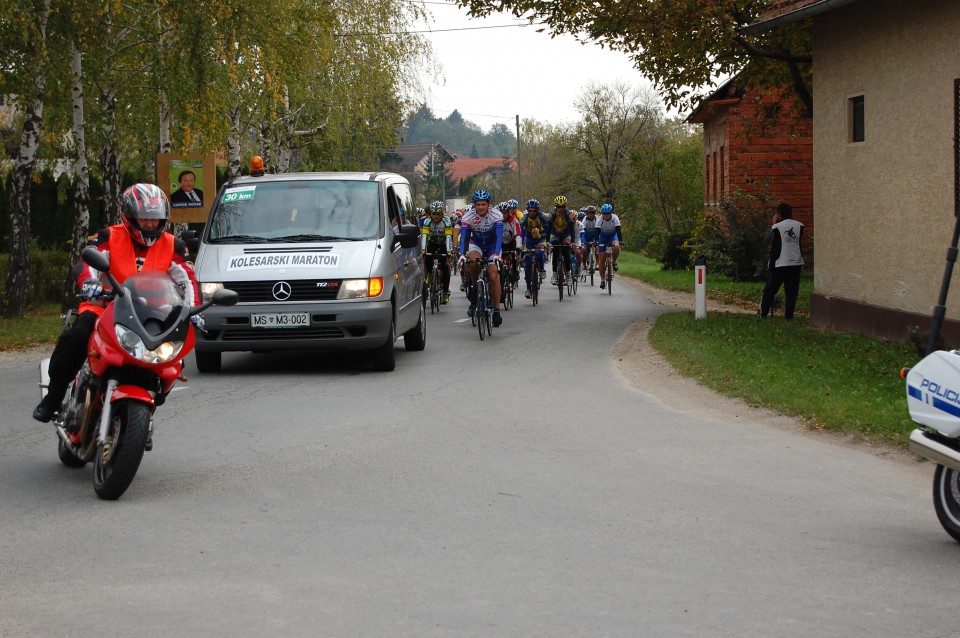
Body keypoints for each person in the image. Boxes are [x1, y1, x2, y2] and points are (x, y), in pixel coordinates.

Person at [33, 183, 200, 423]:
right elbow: (87, 262)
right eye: (145, 219)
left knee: (172, 353)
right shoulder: (108, 236)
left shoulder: (174, 245)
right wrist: (89, 284)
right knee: (79, 334)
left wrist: (191, 309)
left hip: (152, 314)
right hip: (106, 307)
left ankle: (147, 407)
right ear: (129, 216)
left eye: (156, 219)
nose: (151, 224)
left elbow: (187, 278)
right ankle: (54, 395)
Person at [458, 189, 505, 327]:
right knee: (474, 262)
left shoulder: (496, 215)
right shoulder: (468, 217)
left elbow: (499, 236)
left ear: (489, 204)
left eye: (483, 204)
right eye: (478, 204)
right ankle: (474, 288)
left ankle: (496, 310)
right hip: (476, 244)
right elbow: (465, 238)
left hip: (492, 245)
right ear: (474, 205)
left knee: (493, 274)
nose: (480, 207)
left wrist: (496, 254)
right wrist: (461, 254)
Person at [759, 202, 805, 320]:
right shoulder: (800, 225)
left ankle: (763, 314)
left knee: (770, 290)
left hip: (779, 262)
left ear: (779, 215)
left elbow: (766, 240)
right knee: (791, 292)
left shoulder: (776, 227)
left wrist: (774, 224)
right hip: (796, 262)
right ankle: (789, 316)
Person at [420, 200, 454, 304]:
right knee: (427, 260)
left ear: (442, 214)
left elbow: (448, 237)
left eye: (438, 214)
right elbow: (425, 236)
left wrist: (449, 252)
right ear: (430, 214)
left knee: (445, 268)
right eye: (433, 214)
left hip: (444, 244)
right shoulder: (427, 221)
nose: (436, 216)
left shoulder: (446, 221)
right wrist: (423, 250)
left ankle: (444, 293)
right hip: (433, 243)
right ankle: (430, 274)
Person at [519, 199, 550, 298]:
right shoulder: (525, 218)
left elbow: (547, 229)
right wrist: (521, 242)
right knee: (527, 259)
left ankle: (541, 269)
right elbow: (521, 230)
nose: (532, 212)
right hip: (529, 239)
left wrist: (541, 235)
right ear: (527, 210)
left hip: (540, 238)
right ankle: (528, 288)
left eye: (534, 210)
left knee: (540, 252)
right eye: (530, 210)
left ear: (538, 210)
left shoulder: (542, 217)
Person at [546, 195, 577, 286]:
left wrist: (573, 242)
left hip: (565, 235)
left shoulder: (568, 214)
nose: (561, 209)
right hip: (555, 235)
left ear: (565, 206)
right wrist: (547, 241)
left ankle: (568, 274)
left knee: (566, 251)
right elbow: (549, 228)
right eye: (559, 207)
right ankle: (554, 274)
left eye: (563, 206)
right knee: (555, 251)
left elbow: (572, 230)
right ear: (556, 206)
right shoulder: (552, 213)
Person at [596, 203, 623, 289]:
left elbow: (618, 231)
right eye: (604, 213)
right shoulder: (599, 220)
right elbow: (597, 232)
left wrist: (621, 241)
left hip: (612, 236)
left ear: (611, 213)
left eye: (608, 213)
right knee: (602, 257)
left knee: (616, 247)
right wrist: (596, 242)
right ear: (602, 214)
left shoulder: (615, 218)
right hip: (603, 237)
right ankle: (602, 280)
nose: (606, 215)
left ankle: (614, 262)